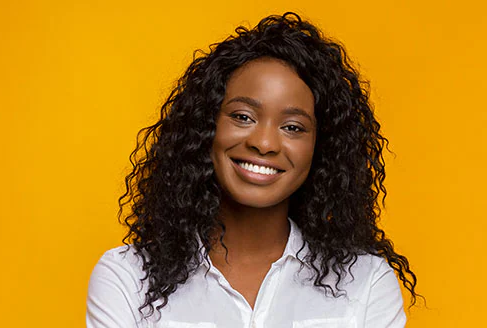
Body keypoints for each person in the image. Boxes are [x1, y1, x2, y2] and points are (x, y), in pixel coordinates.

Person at [86, 12, 418, 328]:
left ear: (321, 148)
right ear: (205, 127)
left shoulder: (366, 283)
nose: (264, 143)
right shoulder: (128, 278)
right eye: (243, 117)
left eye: (293, 127)